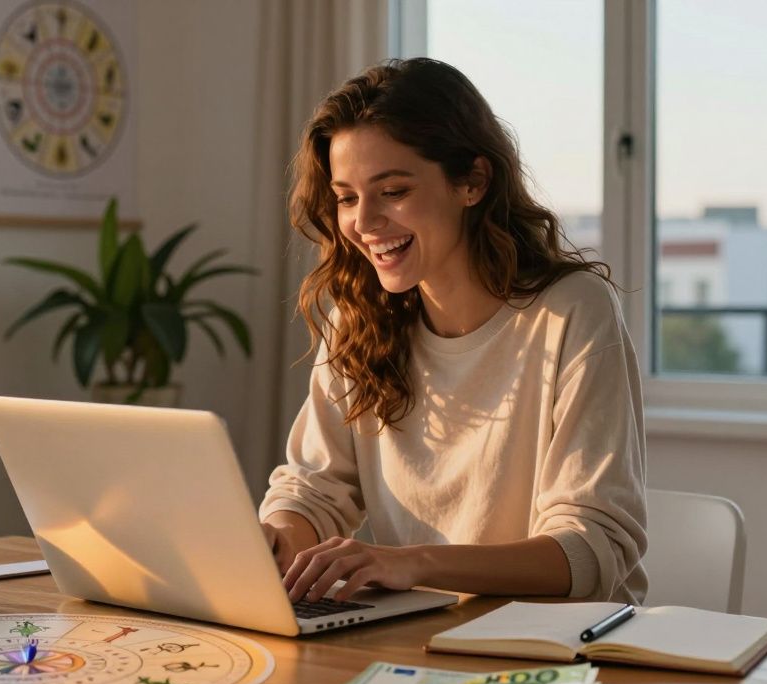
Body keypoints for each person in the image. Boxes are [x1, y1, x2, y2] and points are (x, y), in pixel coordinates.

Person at [258, 58, 647, 606]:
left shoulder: (571, 311)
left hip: (562, 656)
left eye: (391, 190)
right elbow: (317, 487)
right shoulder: (359, 317)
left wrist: (411, 563)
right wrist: (275, 540)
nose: (364, 223)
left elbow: (589, 551)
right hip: (421, 643)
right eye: (346, 197)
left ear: (473, 181)